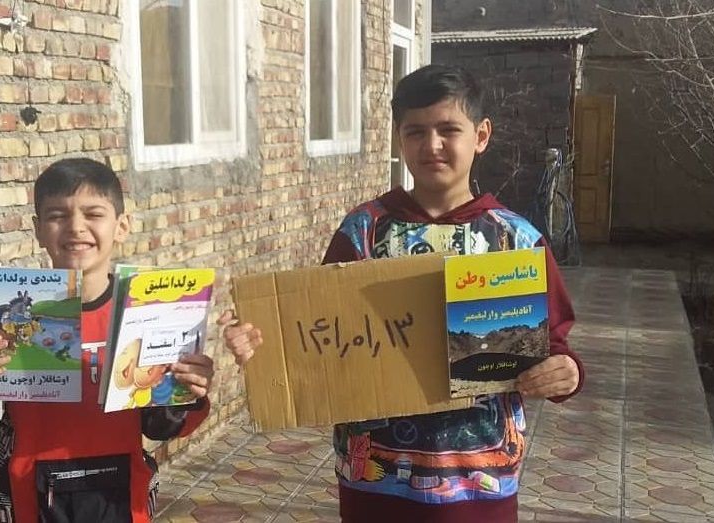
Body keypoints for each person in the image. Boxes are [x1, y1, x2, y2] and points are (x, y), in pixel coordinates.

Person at [220, 64, 584, 522]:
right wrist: (258, 346)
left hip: (479, 482)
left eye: (448, 130)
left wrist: (567, 372)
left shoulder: (515, 240)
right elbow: (315, 338)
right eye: (416, 132)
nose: (432, 145)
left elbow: (555, 344)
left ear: (481, 135)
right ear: (399, 139)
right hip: (375, 480)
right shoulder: (363, 232)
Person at [0, 158, 214, 523]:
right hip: (25, 500)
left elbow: (163, 426)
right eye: (57, 215)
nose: (76, 227)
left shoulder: (148, 315)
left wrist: (191, 390)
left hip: (122, 500)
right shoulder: (6, 319)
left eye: (93, 214)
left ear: (121, 226)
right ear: (38, 230)